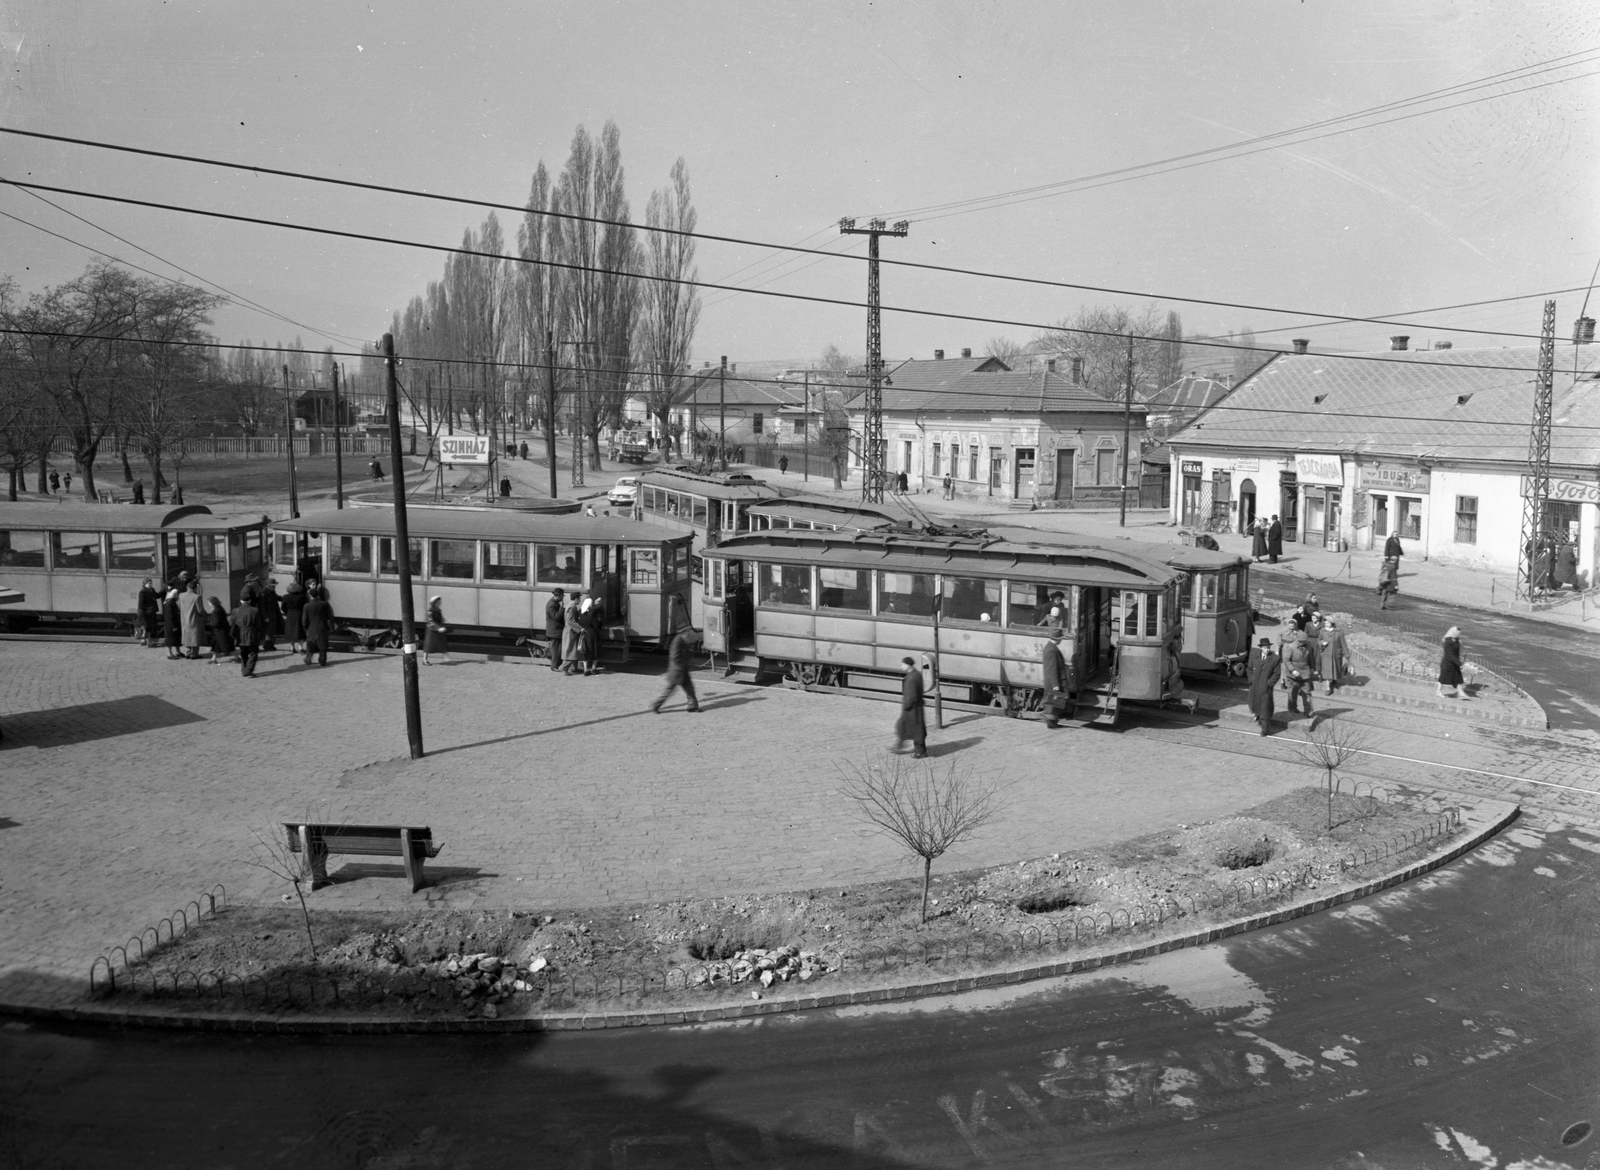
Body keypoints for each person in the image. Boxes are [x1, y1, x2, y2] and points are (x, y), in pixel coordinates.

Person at [650, 625, 701, 713]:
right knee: (669, 690)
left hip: (682, 670)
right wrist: (681, 666)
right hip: (677, 671)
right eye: (687, 632)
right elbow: (674, 656)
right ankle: (656, 705)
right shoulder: (677, 641)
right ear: (683, 632)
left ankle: (693, 706)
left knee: (690, 688)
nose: (688, 634)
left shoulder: (681, 640)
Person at [893, 657, 927, 757]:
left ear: (908, 665)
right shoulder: (915, 675)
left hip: (912, 708)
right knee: (905, 727)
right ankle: (900, 746)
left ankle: (920, 752)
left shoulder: (912, 677)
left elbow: (912, 695)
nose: (901, 666)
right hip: (913, 708)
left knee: (914, 730)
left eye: (903, 664)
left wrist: (907, 705)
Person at [1041, 629, 1075, 729]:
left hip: (1053, 681)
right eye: (1060, 639)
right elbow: (1052, 669)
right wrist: (1055, 684)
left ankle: (1053, 722)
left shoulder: (1050, 647)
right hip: (1055, 682)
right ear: (1057, 639)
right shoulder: (1052, 650)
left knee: (1055, 702)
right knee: (1054, 703)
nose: (1061, 640)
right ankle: (1051, 723)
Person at [1247, 637, 1280, 736]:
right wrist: (1251, 680)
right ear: (1261, 648)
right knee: (1253, 703)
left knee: (1265, 708)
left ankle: (1265, 730)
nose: (1267, 650)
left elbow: (1277, 674)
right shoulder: (1254, 656)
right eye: (1265, 648)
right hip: (1255, 686)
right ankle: (1257, 715)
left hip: (1265, 687)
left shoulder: (1275, 659)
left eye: (1268, 647)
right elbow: (1249, 669)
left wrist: (1269, 683)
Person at [1283, 630, 1316, 718]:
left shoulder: (1309, 647)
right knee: (1293, 692)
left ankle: (1308, 710)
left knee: (1307, 692)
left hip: (1305, 673)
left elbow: (1311, 659)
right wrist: (1292, 670)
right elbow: (1286, 660)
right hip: (1293, 674)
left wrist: (1312, 669)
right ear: (1297, 639)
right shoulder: (1290, 647)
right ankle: (1292, 708)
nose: (1302, 643)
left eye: (1304, 641)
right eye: (1300, 641)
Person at [230, 590, 261, 678]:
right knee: (253, 652)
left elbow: (231, 623)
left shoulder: (235, 611)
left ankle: (244, 670)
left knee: (243, 652)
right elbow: (258, 623)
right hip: (251, 633)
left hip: (240, 634)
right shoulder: (255, 610)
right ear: (250, 601)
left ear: (241, 601)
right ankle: (248, 670)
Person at [302, 585, 334, 667]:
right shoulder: (324, 604)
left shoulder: (306, 606)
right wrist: (331, 627)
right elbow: (329, 616)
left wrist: (306, 628)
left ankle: (308, 659)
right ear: (318, 595)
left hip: (311, 628)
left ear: (310, 595)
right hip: (322, 627)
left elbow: (304, 621)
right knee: (322, 645)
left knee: (310, 645)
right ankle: (322, 661)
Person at [1319, 619, 1349, 695]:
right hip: (1326, 654)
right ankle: (1328, 688)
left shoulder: (1339, 631)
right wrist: (1322, 643)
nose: (1326, 624)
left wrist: (1347, 654)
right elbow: (1318, 640)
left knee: (1336, 668)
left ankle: (1333, 678)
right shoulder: (1322, 630)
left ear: (1332, 623)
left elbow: (1343, 643)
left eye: (1327, 623)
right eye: (1325, 622)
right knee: (1327, 671)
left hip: (1336, 654)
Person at [178, 580, 205, 660]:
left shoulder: (181, 595)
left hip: (184, 619)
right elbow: (200, 610)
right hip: (194, 619)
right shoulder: (197, 597)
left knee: (187, 636)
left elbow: (179, 606)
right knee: (195, 637)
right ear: (195, 588)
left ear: (187, 587)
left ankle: (189, 652)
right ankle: (194, 654)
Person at [206, 596, 236, 664]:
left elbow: (216, 622)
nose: (208, 604)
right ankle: (214, 659)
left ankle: (237, 658)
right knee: (216, 646)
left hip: (220, 631)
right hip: (220, 631)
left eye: (209, 602)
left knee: (228, 646)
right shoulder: (219, 608)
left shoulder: (216, 610)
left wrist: (209, 623)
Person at [1437, 626, 1465, 700]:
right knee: (1442, 678)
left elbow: (1457, 652)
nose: (1458, 635)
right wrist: (1459, 663)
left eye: (1459, 633)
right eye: (1457, 633)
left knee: (1458, 678)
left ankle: (1461, 693)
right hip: (1447, 663)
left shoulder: (1456, 641)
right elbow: (1450, 655)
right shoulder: (1448, 642)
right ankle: (1438, 691)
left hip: (1454, 663)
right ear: (1453, 632)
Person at [579, 595, 603, 675]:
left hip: (583, 633)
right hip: (592, 633)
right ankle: (593, 668)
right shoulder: (591, 613)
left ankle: (585, 669)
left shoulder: (580, 611)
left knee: (585, 650)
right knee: (595, 650)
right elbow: (596, 624)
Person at [560, 593, 583, 675]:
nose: (580, 600)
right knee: (570, 649)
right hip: (570, 631)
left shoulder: (572, 605)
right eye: (579, 598)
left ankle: (573, 668)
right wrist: (580, 628)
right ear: (576, 599)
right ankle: (564, 667)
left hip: (571, 631)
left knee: (572, 649)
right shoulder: (572, 606)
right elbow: (570, 621)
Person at [422, 595, 448, 665]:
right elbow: (430, 621)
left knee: (442, 642)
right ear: (434, 603)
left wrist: (442, 620)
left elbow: (440, 618)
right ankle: (424, 659)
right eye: (438, 602)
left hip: (437, 628)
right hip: (431, 630)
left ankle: (446, 658)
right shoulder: (430, 611)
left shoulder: (438, 610)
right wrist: (438, 628)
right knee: (428, 645)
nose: (440, 603)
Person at [258, 578, 283, 652]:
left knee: (272, 630)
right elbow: (262, 607)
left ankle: (271, 645)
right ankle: (267, 645)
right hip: (268, 615)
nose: (274, 587)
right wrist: (265, 617)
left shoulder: (272, 591)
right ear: (268, 586)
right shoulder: (263, 593)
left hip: (273, 614)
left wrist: (286, 598)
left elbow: (278, 598)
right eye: (272, 586)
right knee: (268, 631)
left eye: (274, 586)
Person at [282, 580, 307, 654]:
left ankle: (292, 647)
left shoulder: (285, 597)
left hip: (290, 615)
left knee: (291, 631)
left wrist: (287, 612)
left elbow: (283, 607)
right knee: (300, 631)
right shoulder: (302, 596)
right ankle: (300, 647)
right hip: (299, 614)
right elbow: (304, 606)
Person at [544, 588, 565, 670]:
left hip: (556, 630)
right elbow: (556, 616)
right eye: (562, 596)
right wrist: (562, 608)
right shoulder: (552, 604)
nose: (562, 598)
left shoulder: (554, 603)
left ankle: (556, 665)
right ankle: (554, 666)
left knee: (557, 648)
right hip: (555, 630)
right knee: (556, 649)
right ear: (558, 596)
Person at [136, 578, 160, 647]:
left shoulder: (152, 590)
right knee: (147, 627)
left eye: (151, 583)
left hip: (151, 612)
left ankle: (144, 641)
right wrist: (141, 613)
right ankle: (149, 642)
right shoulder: (143, 592)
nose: (151, 585)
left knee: (149, 627)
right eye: (149, 583)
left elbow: (157, 596)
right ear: (145, 584)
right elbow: (141, 604)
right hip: (146, 613)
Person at [161, 588, 183, 658]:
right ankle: (169, 654)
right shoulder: (170, 603)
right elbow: (170, 616)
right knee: (170, 639)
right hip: (171, 625)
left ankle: (178, 652)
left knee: (176, 638)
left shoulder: (170, 602)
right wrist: (173, 626)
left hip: (173, 624)